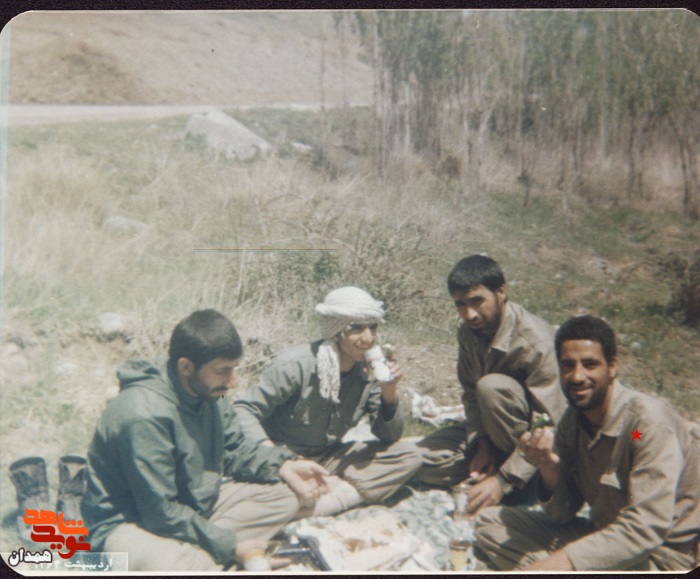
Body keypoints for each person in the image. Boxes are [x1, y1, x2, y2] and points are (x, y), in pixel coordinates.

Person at [82, 309, 329, 572]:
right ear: (186, 366)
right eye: (223, 371)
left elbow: (234, 449)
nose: (232, 381)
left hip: (189, 504)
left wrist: (283, 465)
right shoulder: (143, 415)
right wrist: (230, 545)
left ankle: (204, 549)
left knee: (284, 497)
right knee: (187, 566)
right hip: (129, 522)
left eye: (234, 369)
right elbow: (159, 512)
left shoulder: (208, 391)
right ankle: (204, 554)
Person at [475, 315, 700, 571]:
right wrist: (548, 468)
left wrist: (560, 562)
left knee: (549, 564)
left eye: (590, 365)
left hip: (657, 556)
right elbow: (561, 514)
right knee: (492, 522)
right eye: (568, 365)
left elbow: (644, 528)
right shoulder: (572, 423)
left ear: (612, 367)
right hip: (603, 537)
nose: (577, 376)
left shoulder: (643, 427)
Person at [232, 286, 422, 516]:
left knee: (408, 456)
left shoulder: (369, 370)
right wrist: (277, 459)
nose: (368, 338)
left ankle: (321, 503)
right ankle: (324, 494)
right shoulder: (296, 364)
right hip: (285, 458)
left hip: (329, 456)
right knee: (256, 492)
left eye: (373, 327)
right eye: (357, 328)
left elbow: (389, 436)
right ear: (336, 330)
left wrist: (389, 390)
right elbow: (243, 409)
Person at [417, 255, 567, 514]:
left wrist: (504, 480)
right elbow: (470, 394)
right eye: (460, 304)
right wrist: (483, 444)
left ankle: (526, 482)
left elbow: (548, 425)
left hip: (550, 444)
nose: (469, 314)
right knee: (422, 463)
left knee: (491, 387)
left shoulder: (536, 343)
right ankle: (495, 464)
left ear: (501, 292)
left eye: (477, 301)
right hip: (502, 437)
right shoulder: (469, 333)